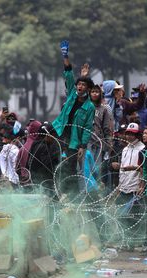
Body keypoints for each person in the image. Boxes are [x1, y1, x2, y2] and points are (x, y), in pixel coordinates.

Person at [52, 40, 95, 194]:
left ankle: (70, 195)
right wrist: (65, 56)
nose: (80, 86)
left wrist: (83, 146)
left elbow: (87, 127)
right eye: (79, 84)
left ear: (88, 89)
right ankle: (52, 190)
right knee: (52, 161)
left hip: (73, 140)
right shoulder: (71, 93)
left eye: (83, 85)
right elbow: (68, 74)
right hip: (59, 130)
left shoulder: (89, 107)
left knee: (69, 167)